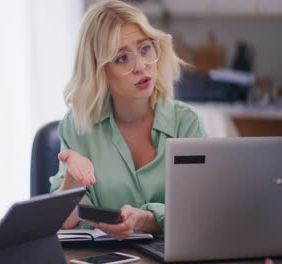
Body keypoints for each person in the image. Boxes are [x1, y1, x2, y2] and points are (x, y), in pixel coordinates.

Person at [50, 0, 206, 240]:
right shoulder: (78, 124)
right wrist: (72, 180)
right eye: (122, 58)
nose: (141, 66)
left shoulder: (185, 121)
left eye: (145, 49)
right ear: (98, 71)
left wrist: (148, 219)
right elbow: (66, 224)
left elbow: (202, 208)